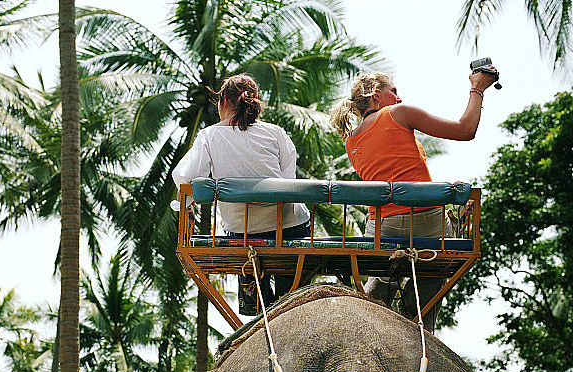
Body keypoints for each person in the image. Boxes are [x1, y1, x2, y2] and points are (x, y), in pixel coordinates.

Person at [329, 67, 498, 331]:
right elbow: (465, 130)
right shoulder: (398, 112)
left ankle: (378, 292)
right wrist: (478, 89)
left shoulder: (351, 140)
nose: (398, 97)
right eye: (393, 91)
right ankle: (418, 316)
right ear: (376, 95)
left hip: (380, 227)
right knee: (437, 262)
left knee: (384, 263)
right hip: (425, 220)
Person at [172, 73, 310, 316]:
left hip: (244, 233)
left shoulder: (210, 136)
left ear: (223, 101)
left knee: (258, 315)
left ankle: (255, 310)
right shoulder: (275, 133)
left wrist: (188, 202)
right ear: (255, 101)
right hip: (289, 227)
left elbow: (185, 178)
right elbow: (288, 181)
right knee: (290, 309)